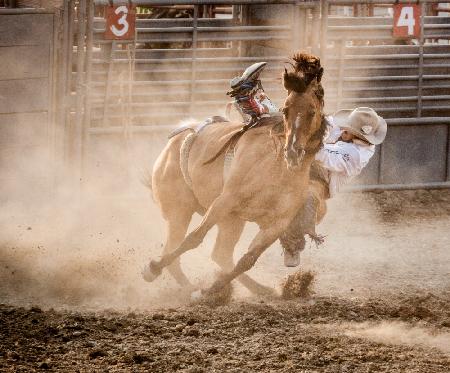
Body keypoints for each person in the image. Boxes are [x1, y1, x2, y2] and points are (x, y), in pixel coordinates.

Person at [282, 107, 388, 266]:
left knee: (309, 195)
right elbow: (324, 124)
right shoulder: (345, 129)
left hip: (323, 178)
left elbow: (324, 156)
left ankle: (293, 245)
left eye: (348, 129)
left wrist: (302, 141)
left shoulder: (357, 155)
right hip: (309, 161)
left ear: (358, 135)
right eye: (346, 126)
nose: (343, 128)